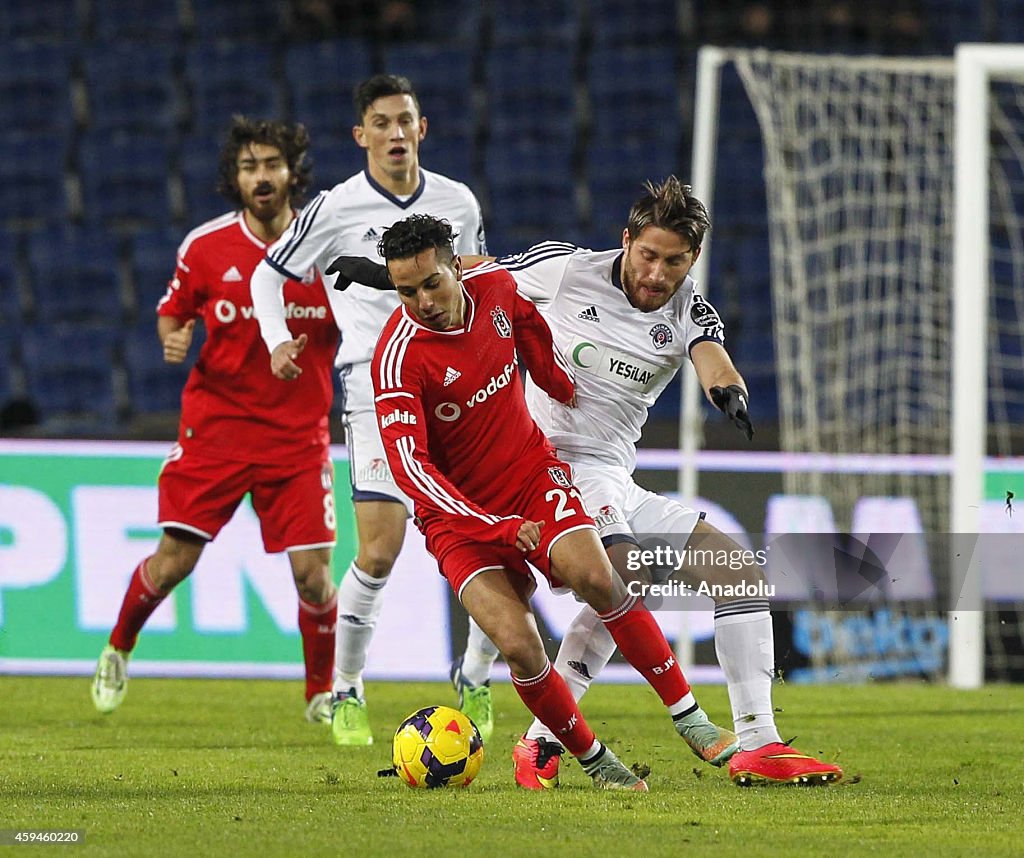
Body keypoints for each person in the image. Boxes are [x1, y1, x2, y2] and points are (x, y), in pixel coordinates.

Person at [457, 177, 844, 788]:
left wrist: (729, 392)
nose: (659, 273)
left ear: (692, 260)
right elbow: (470, 274)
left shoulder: (689, 307)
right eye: (649, 255)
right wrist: (393, 274)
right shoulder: (564, 269)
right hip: (543, 464)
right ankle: (693, 727)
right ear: (626, 240)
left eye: (675, 261)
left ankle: (756, 741)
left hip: (610, 475)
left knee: (733, 569)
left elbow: (711, 355)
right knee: (620, 578)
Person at [368, 212, 741, 791]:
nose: (423, 302)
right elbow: (411, 470)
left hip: (531, 477)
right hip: (461, 520)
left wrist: (556, 380)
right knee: (519, 647)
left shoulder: (495, 289)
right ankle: (593, 759)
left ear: (458, 269)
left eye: (432, 284)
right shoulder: (398, 357)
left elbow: (528, 329)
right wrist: (493, 526)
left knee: (602, 577)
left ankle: (690, 717)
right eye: (406, 292)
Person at [251, 74, 491, 746]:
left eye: (404, 120)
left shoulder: (457, 201)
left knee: (488, 537)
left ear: (422, 128)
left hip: (453, 381)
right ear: (361, 135)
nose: (393, 133)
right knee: (380, 551)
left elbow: (473, 273)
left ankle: (475, 673)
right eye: (380, 122)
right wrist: (276, 342)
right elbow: (268, 275)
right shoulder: (332, 208)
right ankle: (346, 687)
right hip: (373, 384)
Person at [90, 117, 341, 724]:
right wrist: (173, 337)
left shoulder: (329, 250)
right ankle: (118, 648)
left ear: (292, 173)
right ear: (235, 177)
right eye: (249, 165)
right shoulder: (205, 247)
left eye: (272, 164)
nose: (261, 176)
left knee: (314, 578)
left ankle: (321, 695)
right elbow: (172, 314)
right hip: (218, 430)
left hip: (297, 439)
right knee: (174, 560)